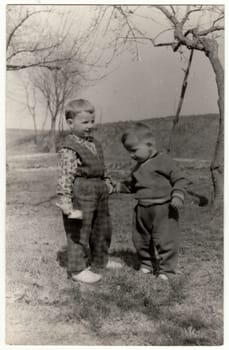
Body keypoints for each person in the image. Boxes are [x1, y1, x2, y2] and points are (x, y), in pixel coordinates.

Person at [56, 98, 121, 284]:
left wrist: (107, 181)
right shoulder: (69, 148)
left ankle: (101, 260)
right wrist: (65, 199)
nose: (90, 126)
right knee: (79, 230)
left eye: (92, 121)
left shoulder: (94, 143)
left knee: (102, 228)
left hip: (99, 190)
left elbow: (102, 166)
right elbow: (65, 175)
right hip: (81, 191)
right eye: (85, 122)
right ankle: (77, 269)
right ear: (70, 123)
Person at [115, 123, 189, 281]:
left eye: (133, 150)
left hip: (163, 209)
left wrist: (177, 195)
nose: (131, 155)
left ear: (149, 145)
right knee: (141, 239)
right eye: (129, 151)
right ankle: (147, 264)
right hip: (142, 209)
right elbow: (131, 186)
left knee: (165, 239)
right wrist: (116, 187)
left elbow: (180, 179)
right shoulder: (137, 168)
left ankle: (166, 270)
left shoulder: (164, 161)